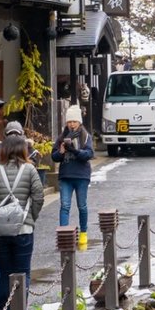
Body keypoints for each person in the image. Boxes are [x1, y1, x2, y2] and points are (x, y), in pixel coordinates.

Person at [0, 133, 43, 310]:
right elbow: (39, 196)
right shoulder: (30, 170)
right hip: (23, 229)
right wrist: (30, 217)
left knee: (5, 272)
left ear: (3, 151)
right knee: (23, 272)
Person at [54, 104, 95, 248]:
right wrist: (61, 151)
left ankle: (83, 233)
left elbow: (89, 154)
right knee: (64, 205)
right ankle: (64, 236)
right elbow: (54, 157)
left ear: (79, 122)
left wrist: (75, 151)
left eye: (74, 122)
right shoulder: (62, 137)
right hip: (66, 176)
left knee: (82, 206)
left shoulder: (85, 136)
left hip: (81, 176)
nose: (71, 125)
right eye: (69, 122)